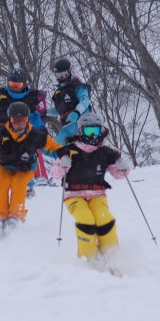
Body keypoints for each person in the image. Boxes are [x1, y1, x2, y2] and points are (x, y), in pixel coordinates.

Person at [50, 112, 130, 272]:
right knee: (86, 219)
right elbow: (55, 174)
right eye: (88, 131)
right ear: (80, 131)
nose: (93, 135)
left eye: (96, 131)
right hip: (73, 195)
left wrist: (123, 168)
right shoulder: (69, 151)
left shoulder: (105, 152)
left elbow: (118, 174)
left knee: (104, 219)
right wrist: (62, 165)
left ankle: (112, 256)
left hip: (97, 195)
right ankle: (89, 259)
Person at [0, 102, 62, 231]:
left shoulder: (35, 135)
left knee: (18, 184)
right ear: (10, 119)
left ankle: (15, 216)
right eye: (15, 120)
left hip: (25, 169)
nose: (19, 123)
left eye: (22, 120)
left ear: (27, 119)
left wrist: (64, 155)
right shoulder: (0, 135)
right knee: (1, 185)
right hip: (5, 167)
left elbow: (52, 147)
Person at [0, 68, 46, 203]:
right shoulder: (0, 96)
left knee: (25, 157)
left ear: (24, 85)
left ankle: (28, 187)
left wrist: (41, 129)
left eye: (18, 85)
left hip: (21, 132)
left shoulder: (29, 99)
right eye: (12, 84)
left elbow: (35, 116)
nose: (15, 88)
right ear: (7, 83)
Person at [47, 58, 93, 145]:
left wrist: (77, 112)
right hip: (67, 128)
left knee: (80, 151)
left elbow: (84, 101)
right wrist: (45, 111)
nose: (61, 78)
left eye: (63, 74)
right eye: (58, 75)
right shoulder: (60, 92)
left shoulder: (78, 86)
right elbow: (60, 110)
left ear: (69, 72)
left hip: (82, 124)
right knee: (55, 149)